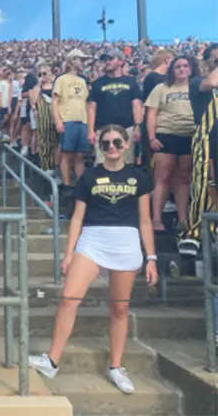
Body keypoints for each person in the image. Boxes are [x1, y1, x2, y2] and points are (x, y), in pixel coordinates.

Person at [29, 125, 158, 395]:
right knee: (69, 297)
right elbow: (77, 217)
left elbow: (145, 220)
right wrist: (68, 253)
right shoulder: (88, 177)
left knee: (120, 309)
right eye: (106, 143)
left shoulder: (139, 177)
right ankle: (52, 360)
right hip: (93, 239)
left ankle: (116, 366)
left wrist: (152, 257)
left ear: (126, 144)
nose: (111, 147)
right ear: (99, 147)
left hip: (126, 241)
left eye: (117, 142)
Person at [145, 56, 196, 231]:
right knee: (163, 178)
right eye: (178, 66)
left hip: (189, 136)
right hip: (165, 135)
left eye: (185, 66)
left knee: (183, 179)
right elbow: (151, 114)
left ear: (191, 69)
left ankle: (183, 220)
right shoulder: (161, 88)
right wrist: (152, 137)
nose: (182, 69)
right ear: (171, 70)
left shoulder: (196, 87)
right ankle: (157, 220)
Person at [178, 43, 218, 256]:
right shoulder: (196, 83)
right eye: (215, 60)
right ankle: (194, 233)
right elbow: (212, 82)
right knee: (202, 186)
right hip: (206, 140)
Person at [87, 49, 144, 166]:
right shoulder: (98, 83)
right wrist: (90, 131)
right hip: (102, 129)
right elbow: (91, 108)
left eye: (111, 59)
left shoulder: (131, 82)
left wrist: (137, 126)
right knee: (103, 164)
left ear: (121, 61)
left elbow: (137, 105)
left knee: (126, 164)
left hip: (126, 129)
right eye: (105, 60)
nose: (107, 62)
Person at [52, 50, 90, 188]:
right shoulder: (61, 79)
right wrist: (57, 120)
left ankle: (80, 185)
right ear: (72, 60)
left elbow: (86, 102)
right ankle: (67, 184)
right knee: (67, 153)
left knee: (79, 155)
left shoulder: (82, 80)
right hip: (67, 119)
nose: (83, 63)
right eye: (81, 59)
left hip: (82, 120)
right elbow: (55, 101)